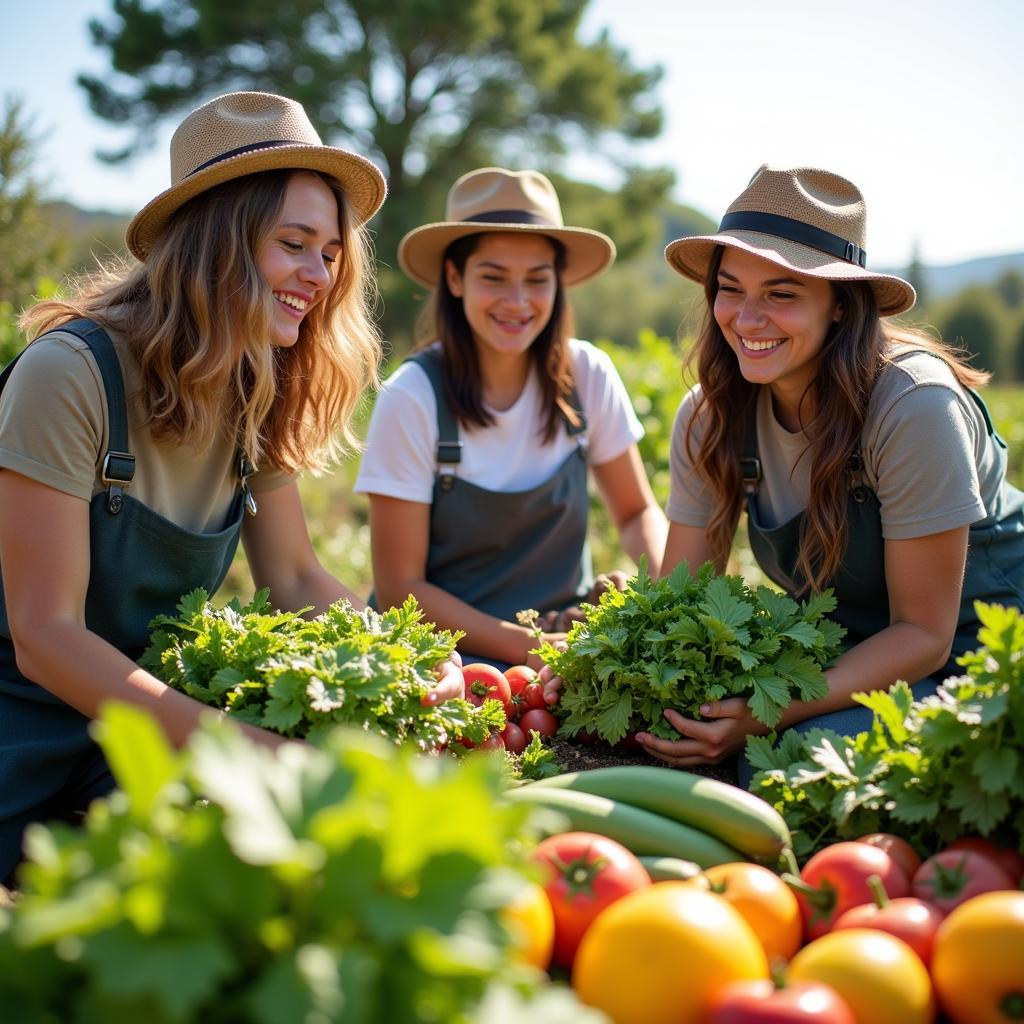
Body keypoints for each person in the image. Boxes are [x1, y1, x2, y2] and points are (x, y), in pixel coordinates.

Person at [0, 91, 463, 885]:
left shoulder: (253, 381)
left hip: (138, 730)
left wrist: (410, 657)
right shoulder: (71, 375)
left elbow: (293, 575)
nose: (319, 276)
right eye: (295, 244)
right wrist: (246, 750)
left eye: (331, 253)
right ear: (216, 240)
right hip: (23, 732)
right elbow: (46, 638)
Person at [638, 164, 1024, 777]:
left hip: (979, 656)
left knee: (786, 763)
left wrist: (770, 711)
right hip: (851, 654)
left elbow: (925, 635)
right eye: (730, 287)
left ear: (840, 306)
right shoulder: (710, 417)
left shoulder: (912, 404)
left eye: (783, 293)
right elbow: (678, 601)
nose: (746, 318)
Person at [356, 167, 667, 668]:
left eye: (537, 280)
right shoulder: (413, 397)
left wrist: (669, 595)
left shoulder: (586, 374)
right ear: (455, 279)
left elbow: (635, 514)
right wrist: (533, 649)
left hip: (565, 639)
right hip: (448, 659)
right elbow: (400, 588)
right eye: (493, 278)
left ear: (559, 282)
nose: (518, 302)